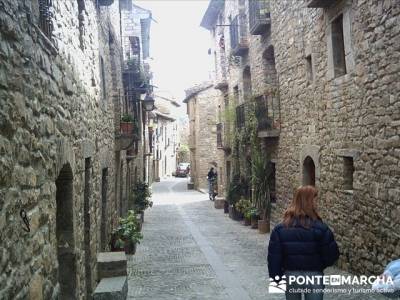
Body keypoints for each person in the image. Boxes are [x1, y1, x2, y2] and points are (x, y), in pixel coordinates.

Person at [267, 185, 340, 300]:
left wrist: (276, 279)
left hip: (291, 276)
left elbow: (274, 258)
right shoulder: (321, 228)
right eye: (315, 200)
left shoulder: (280, 229)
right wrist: (318, 265)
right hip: (314, 276)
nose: (317, 203)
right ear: (309, 202)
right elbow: (331, 255)